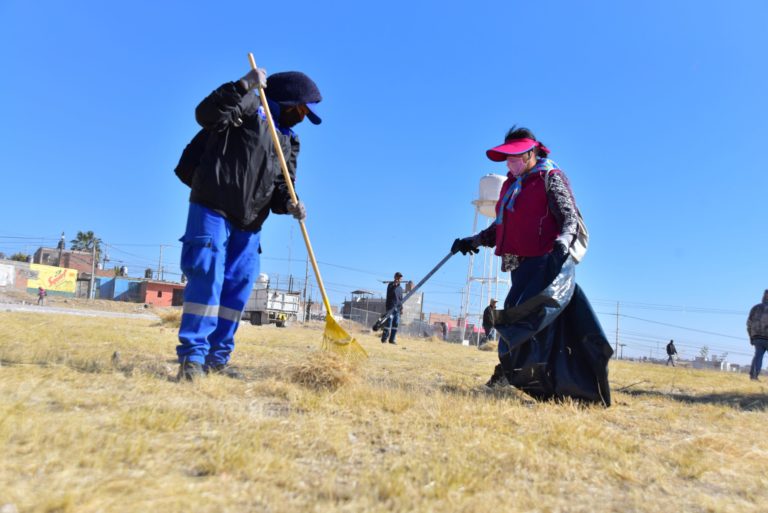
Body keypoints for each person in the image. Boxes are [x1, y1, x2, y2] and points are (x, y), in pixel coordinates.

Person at [173, 66, 322, 381]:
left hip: (251, 221)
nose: (302, 117)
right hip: (213, 206)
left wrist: (291, 204)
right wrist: (242, 85)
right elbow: (206, 114)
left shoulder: (290, 141)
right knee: (207, 278)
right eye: (301, 109)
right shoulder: (252, 105)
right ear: (289, 100)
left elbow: (283, 187)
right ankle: (192, 360)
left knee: (238, 286)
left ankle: (217, 359)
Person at [451, 126, 613, 405]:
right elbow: (501, 226)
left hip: (547, 263)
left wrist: (562, 241)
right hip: (518, 265)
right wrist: (473, 240)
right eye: (507, 158)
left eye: (514, 157)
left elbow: (569, 217)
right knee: (522, 319)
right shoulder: (510, 185)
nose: (509, 163)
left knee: (522, 319)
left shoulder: (551, 177)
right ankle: (521, 376)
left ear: (531, 153)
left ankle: (515, 375)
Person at [747, 290, 768, 381]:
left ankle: (754, 376)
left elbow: (749, 324)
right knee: (758, 356)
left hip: (757, 337)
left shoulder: (755, 308)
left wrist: (751, 337)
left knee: (758, 356)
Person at [381, 272, 404, 344]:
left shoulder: (400, 288)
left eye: (400, 278)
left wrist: (401, 308)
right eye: (398, 277)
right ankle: (384, 339)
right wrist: (394, 285)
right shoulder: (390, 285)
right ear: (395, 277)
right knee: (388, 324)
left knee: (395, 324)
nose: (399, 279)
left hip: (397, 309)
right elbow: (389, 294)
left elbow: (401, 299)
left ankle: (392, 340)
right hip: (390, 308)